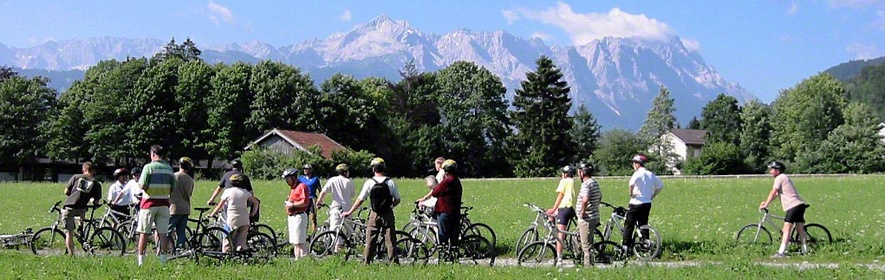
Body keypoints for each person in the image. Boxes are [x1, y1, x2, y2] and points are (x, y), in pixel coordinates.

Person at [343, 158, 401, 264]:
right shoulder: (390, 182)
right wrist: (390, 206)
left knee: (370, 239)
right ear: (384, 168)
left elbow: (360, 199)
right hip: (387, 213)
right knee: (390, 240)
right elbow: (398, 199)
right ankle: (393, 262)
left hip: (374, 214)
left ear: (373, 169)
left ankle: (367, 262)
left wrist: (350, 211)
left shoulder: (369, 182)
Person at [759, 161, 809, 258]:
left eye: (772, 170)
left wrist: (766, 205)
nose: (770, 172)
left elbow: (773, 191)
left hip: (793, 206)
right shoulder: (784, 177)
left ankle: (781, 253)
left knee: (786, 229)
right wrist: (766, 202)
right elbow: (777, 194)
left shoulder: (780, 178)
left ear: (777, 170)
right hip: (799, 205)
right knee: (800, 229)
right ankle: (805, 251)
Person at [136, 145, 175, 266]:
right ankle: (163, 260)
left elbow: (142, 185)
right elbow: (172, 188)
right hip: (164, 203)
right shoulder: (169, 169)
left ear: (153, 154)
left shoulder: (148, 167)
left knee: (144, 233)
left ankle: (141, 261)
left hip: (149, 203)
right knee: (163, 233)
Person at [623, 154, 663, 253]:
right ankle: (645, 244)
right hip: (647, 202)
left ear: (637, 164)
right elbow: (660, 186)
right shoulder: (649, 174)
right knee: (643, 223)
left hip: (636, 202)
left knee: (629, 224)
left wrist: (631, 194)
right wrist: (652, 195)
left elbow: (631, 184)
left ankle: (625, 246)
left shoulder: (637, 173)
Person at [209, 174, 260, 253]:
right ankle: (241, 257)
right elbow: (256, 202)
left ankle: (226, 257)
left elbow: (219, 206)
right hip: (245, 220)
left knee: (227, 240)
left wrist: (212, 214)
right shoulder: (245, 192)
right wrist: (252, 214)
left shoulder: (228, 191)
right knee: (241, 242)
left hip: (232, 220)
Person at [418, 159, 462, 247]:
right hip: (455, 211)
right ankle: (454, 257)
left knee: (443, 236)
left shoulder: (447, 181)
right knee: (454, 237)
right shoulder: (456, 180)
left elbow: (435, 192)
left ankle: (444, 257)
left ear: (446, 170)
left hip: (445, 211)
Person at [62, 162, 102, 255]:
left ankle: (71, 254)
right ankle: (81, 228)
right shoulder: (96, 183)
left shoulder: (76, 177)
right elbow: (96, 201)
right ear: (93, 171)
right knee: (82, 211)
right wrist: (90, 198)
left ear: (84, 170)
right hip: (82, 208)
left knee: (69, 232)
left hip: (70, 207)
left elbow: (66, 192)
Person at [316, 163, 356, 250]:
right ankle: (350, 245)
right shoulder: (350, 182)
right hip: (348, 208)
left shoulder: (332, 180)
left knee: (334, 229)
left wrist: (319, 202)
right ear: (345, 172)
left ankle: (338, 247)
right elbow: (352, 194)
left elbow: (323, 192)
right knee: (349, 229)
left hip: (336, 208)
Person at [547, 165, 577, 265]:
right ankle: (552, 235)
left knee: (560, 235)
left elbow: (560, 195)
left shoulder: (564, 181)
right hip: (570, 208)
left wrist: (554, 208)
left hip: (564, 208)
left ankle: (559, 259)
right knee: (550, 214)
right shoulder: (574, 181)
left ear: (565, 174)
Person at [575, 163, 602, 267]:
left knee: (586, 245)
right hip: (594, 215)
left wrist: (583, 211)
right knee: (575, 237)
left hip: (587, 218)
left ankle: (588, 266)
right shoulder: (594, 182)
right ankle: (578, 258)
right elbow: (600, 196)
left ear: (582, 173)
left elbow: (585, 199)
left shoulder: (586, 184)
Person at [168, 157, 195, 251]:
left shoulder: (174, 177)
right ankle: (181, 249)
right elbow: (190, 194)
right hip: (185, 208)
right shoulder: (190, 180)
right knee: (181, 231)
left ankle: (165, 248)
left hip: (174, 208)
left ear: (179, 165)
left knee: (168, 230)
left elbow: (169, 191)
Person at [282, 168, 309, 259]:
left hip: (299, 215)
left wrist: (292, 205)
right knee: (295, 241)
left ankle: (303, 258)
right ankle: (297, 258)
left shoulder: (302, 186)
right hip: (292, 216)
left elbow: (305, 202)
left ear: (293, 177)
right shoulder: (293, 188)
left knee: (300, 240)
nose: (286, 181)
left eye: (288, 179)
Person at [298, 164, 321, 233]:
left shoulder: (315, 179)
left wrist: (319, 201)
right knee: (304, 218)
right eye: (304, 169)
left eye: (307, 169)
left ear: (310, 170)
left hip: (312, 199)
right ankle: (304, 234)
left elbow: (320, 190)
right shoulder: (301, 179)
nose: (305, 170)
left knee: (313, 218)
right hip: (304, 199)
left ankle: (313, 236)